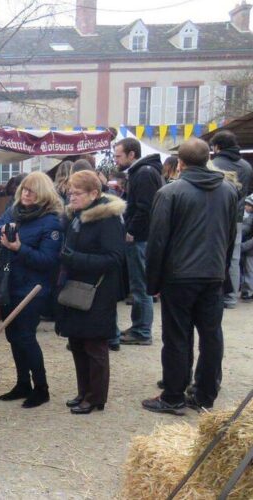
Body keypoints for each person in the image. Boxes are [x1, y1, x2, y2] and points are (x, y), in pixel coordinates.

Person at [142, 138, 238, 414]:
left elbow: (157, 241)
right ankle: (205, 393)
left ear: (180, 163)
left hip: (180, 276)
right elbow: (230, 236)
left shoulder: (171, 193)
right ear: (208, 158)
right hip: (212, 274)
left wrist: (153, 280)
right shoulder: (228, 190)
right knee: (211, 336)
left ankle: (173, 395)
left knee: (177, 335)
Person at [0, 172, 63, 408]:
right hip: (11, 283)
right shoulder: (14, 210)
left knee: (26, 337)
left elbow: (48, 261)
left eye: (32, 190)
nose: (26, 194)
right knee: (12, 336)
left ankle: (41, 388)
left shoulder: (51, 221)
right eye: (25, 189)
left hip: (33, 288)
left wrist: (19, 248)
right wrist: (2, 232)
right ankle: (22, 383)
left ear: (43, 194)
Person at [56, 171, 126, 415]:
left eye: (76, 193)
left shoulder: (108, 218)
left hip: (98, 291)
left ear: (94, 194)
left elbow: (114, 258)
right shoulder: (77, 216)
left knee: (95, 346)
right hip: (76, 288)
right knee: (77, 342)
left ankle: (96, 397)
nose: (71, 197)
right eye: (69, 192)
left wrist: (76, 259)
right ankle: (83, 391)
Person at [113, 137, 163, 346]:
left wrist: (132, 230)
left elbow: (145, 207)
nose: (115, 160)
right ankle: (139, 326)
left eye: (118, 156)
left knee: (140, 285)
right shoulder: (143, 172)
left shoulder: (144, 173)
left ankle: (142, 330)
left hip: (140, 238)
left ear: (131, 154)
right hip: (141, 236)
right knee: (138, 284)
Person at [210, 131, 253, 309]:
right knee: (234, 257)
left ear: (217, 147)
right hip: (237, 217)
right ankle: (231, 297)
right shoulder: (247, 166)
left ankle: (215, 292)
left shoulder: (214, 164)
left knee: (214, 254)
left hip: (215, 217)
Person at [241, 195, 253, 301]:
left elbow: (245, 229)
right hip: (249, 249)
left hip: (250, 251)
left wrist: (242, 247)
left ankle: (248, 292)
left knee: (249, 271)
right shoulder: (249, 217)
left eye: (249, 205)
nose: (246, 207)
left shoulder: (250, 218)